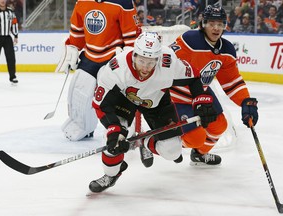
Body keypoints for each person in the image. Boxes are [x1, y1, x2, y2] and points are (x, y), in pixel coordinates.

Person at [88, 32, 217, 193]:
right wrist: (115, 130)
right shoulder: (116, 68)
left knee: (172, 151)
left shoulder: (168, 62)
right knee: (112, 144)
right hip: (123, 99)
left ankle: (146, 142)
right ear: (134, 55)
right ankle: (111, 174)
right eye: (141, 60)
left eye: (150, 62)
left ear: (158, 58)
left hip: (156, 99)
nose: (145, 67)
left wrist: (200, 102)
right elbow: (100, 105)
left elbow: (194, 77)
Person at [167, 4, 259, 166]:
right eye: (211, 23)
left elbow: (232, 82)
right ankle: (158, 144)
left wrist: (246, 101)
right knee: (195, 138)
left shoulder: (227, 50)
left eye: (220, 24)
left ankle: (199, 154)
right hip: (178, 95)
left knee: (219, 126)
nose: (216, 28)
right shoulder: (190, 40)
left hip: (202, 93)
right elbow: (164, 63)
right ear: (203, 24)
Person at [55, 0, 140, 141]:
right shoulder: (82, 2)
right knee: (80, 90)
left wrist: (128, 57)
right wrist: (73, 48)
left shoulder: (123, 3)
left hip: (113, 56)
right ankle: (83, 126)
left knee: (114, 95)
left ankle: (120, 128)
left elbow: (132, 36)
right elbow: (78, 31)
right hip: (89, 56)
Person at [0, 0, 18, 84]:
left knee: (11, 58)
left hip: (7, 38)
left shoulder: (10, 11)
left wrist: (15, 35)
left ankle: (12, 77)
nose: (2, 1)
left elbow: (14, 23)